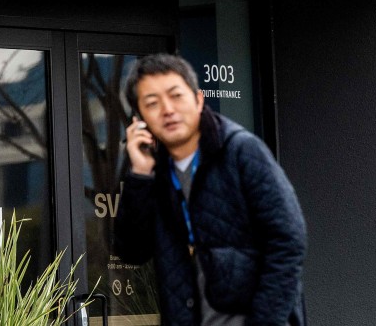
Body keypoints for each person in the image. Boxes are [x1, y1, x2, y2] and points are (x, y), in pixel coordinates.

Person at [114, 53, 307, 326]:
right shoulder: (153, 174)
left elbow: (289, 241)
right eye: (152, 103)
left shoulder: (241, 150)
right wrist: (140, 174)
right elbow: (131, 252)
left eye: (176, 95)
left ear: (198, 99)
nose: (167, 109)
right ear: (140, 118)